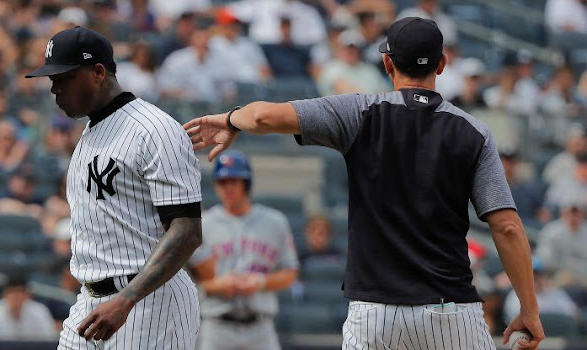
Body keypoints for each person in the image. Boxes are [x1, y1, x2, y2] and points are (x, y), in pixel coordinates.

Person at [184, 17, 544, 349]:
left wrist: (230, 119)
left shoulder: (360, 111)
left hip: (374, 314)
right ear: (442, 65)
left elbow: (262, 115)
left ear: (387, 64)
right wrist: (529, 309)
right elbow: (508, 227)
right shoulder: (474, 131)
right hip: (448, 310)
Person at [25, 26, 203, 349]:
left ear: (98, 72)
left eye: (63, 78)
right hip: (92, 300)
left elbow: (188, 231)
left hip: (150, 302)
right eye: (52, 80)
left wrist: (127, 299)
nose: (54, 89)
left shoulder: (155, 129)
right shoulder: (88, 136)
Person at [197, 150, 299, 350]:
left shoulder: (275, 222)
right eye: (222, 182)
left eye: (234, 181)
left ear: (247, 183)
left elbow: (290, 274)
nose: (228, 188)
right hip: (216, 326)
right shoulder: (203, 225)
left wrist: (260, 282)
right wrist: (216, 285)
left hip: (260, 328)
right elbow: (189, 283)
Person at [0, 275, 57, 339]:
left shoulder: (40, 312)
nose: (16, 296)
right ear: (4, 294)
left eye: (20, 291)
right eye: (12, 291)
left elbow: (49, 340)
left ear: (28, 294)